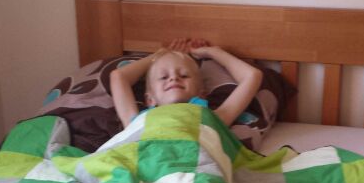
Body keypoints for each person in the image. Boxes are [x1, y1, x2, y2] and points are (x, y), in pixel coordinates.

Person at [109, 38, 262, 129]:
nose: (174, 78)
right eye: (163, 77)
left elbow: (252, 75)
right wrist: (158, 55)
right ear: (150, 99)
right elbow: (118, 76)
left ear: (202, 94)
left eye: (184, 75)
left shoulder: (215, 118)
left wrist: (213, 52)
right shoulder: (136, 123)